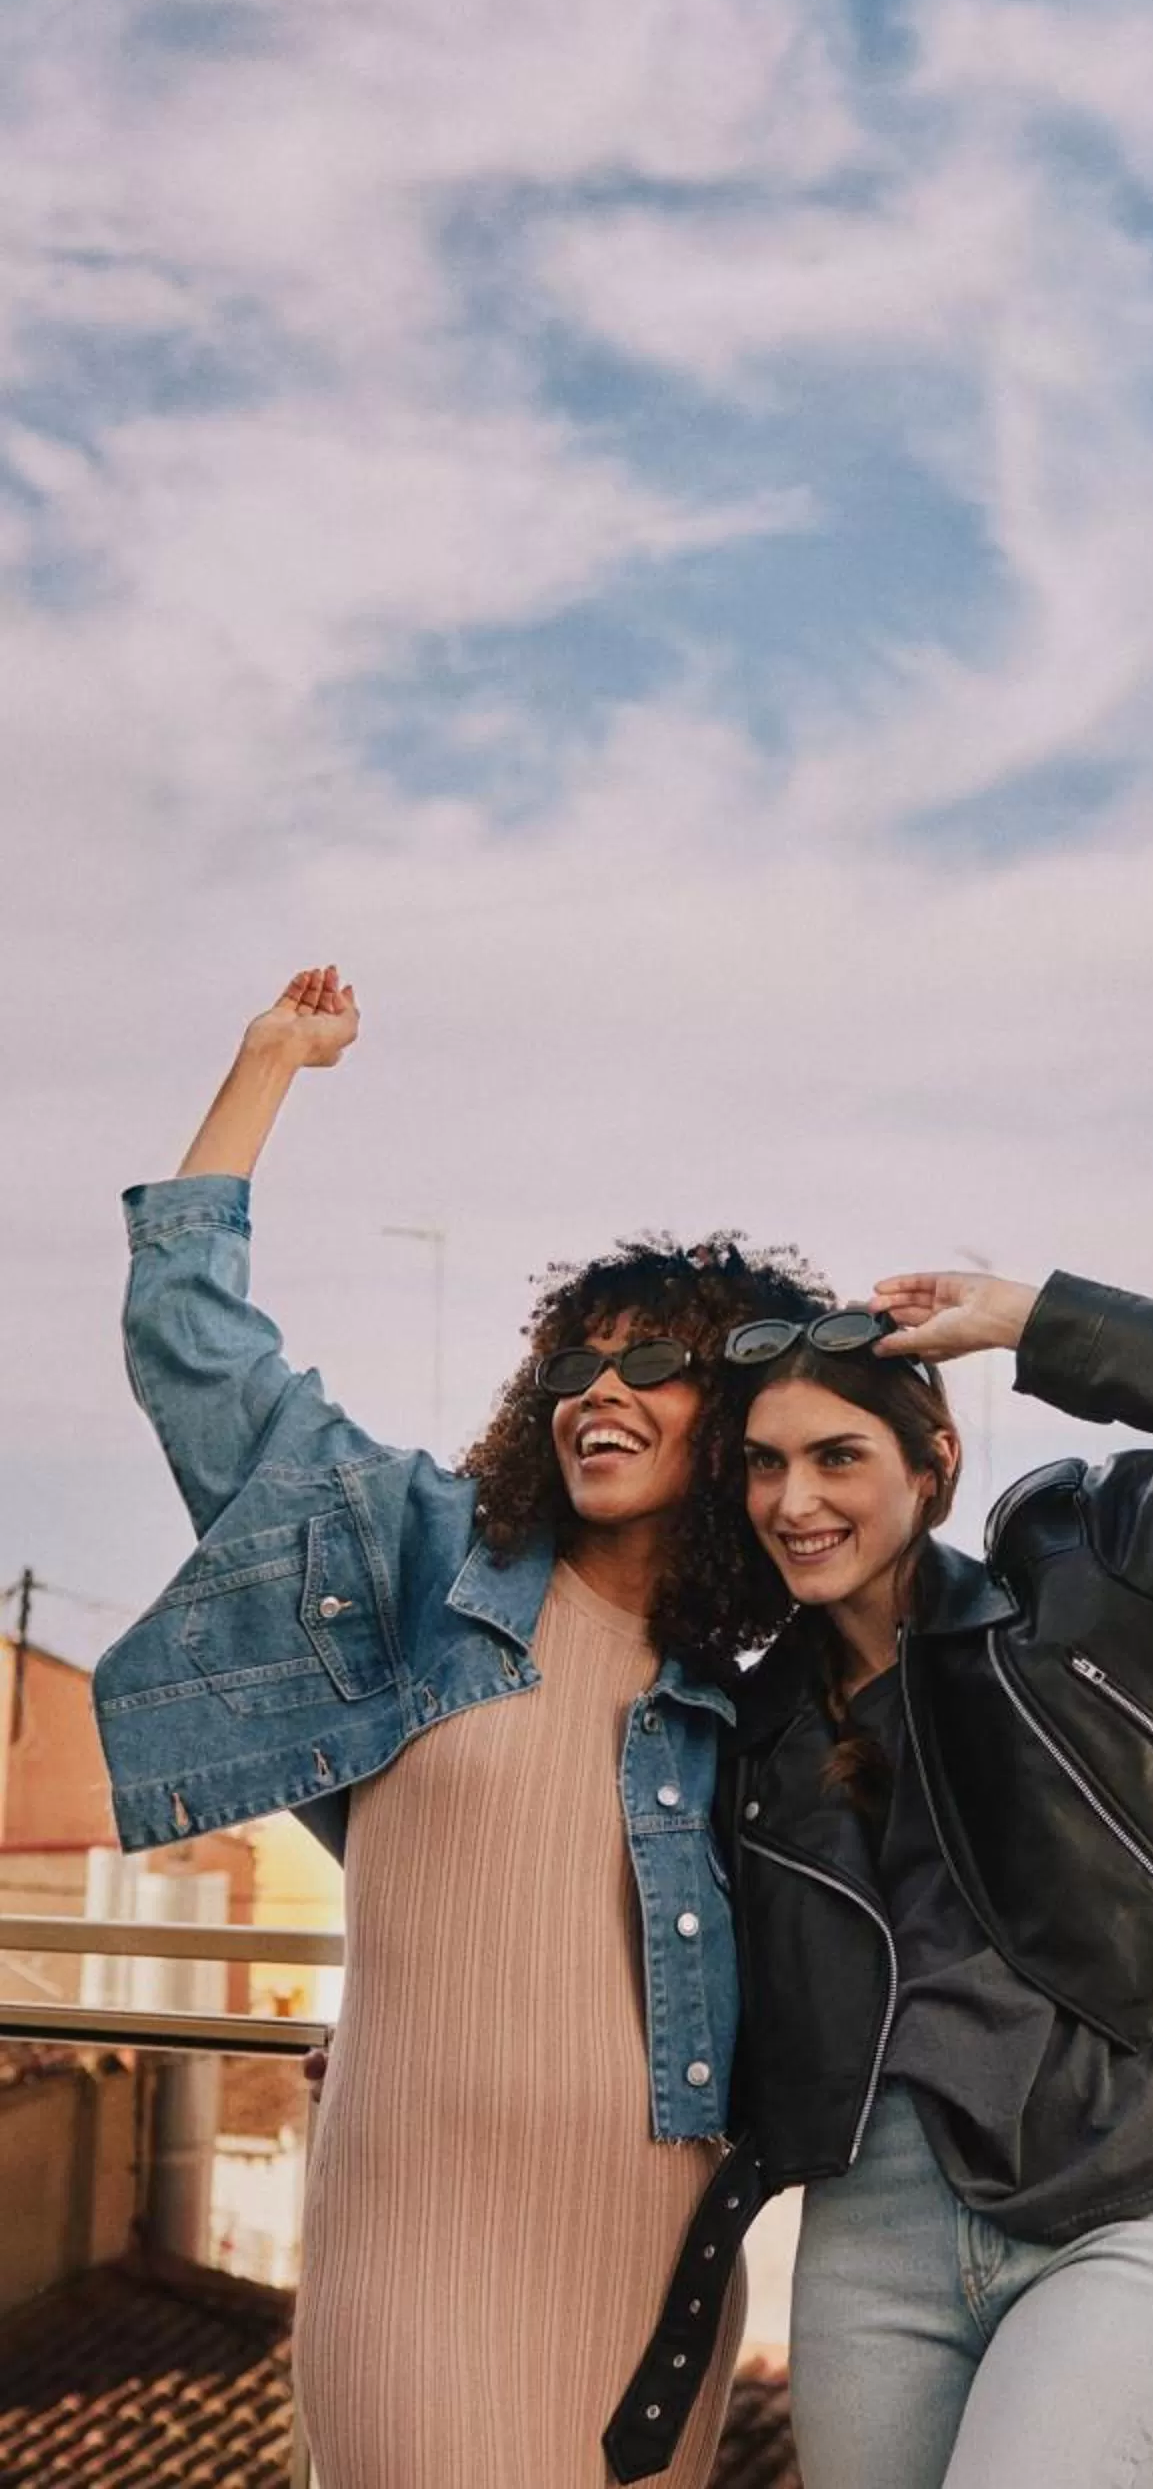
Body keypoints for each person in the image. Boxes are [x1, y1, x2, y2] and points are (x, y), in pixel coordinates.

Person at [94, 967, 826, 2489]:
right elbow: (194, 1345)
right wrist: (267, 1064)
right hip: (407, 2231)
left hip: (641, 2240)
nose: (598, 1390)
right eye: (573, 1361)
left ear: (734, 1423)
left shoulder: (755, 1702)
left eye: (654, 1363)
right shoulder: (412, 1557)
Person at [605, 1262, 1153, 2489]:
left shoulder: (1082, 1591)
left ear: (933, 1467)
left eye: (836, 1458)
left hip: (1122, 2195)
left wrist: (1033, 1322)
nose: (792, 1499)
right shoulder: (737, 1735)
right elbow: (647, 1950)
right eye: (763, 1463)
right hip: (868, 2242)